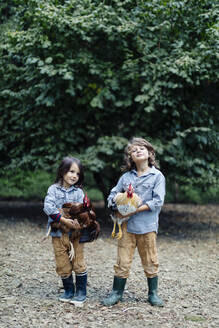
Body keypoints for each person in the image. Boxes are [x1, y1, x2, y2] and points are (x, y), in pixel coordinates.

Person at [102, 137, 165, 307]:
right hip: (126, 226)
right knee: (122, 260)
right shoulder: (125, 178)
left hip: (147, 227)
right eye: (133, 150)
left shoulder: (157, 176)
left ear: (150, 153)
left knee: (150, 260)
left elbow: (158, 202)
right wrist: (116, 205)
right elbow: (112, 194)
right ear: (130, 157)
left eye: (141, 148)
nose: (137, 151)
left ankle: (153, 293)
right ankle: (116, 293)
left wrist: (134, 209)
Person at [43, 157, 87, 306]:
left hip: (75, 235)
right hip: (58, 233)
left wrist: (77, 221)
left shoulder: (79, 193)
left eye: (77, 173)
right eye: (71, 171)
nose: (74, 175)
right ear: (62, 171)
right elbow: (48, 207)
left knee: (78, 261)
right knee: (62, 262)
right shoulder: (53, 189)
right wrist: (62, 219)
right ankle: (69, 289)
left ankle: (81, 291)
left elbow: (83, 212)